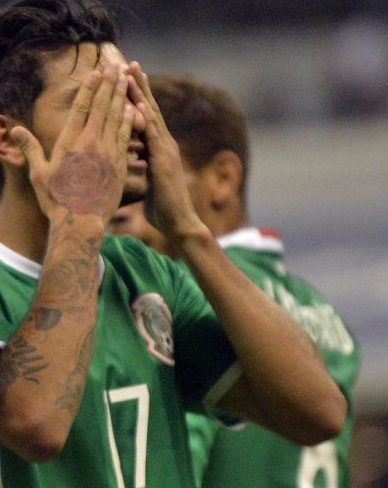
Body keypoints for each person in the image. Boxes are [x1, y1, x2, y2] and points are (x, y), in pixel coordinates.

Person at [0, 0, 347, 487]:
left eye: (131, 97)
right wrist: (80, 223)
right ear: (6, 140)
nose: (131, 119)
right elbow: (34, 424)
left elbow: (319, 414)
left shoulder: (145, 271)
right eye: (96, 103)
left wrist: (190, 232)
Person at [108, 73, 360, 488]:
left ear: (223, 177)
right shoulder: (322, 310)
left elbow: (174, 453)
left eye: (153, 173)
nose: (127, 202)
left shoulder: (187, 296)